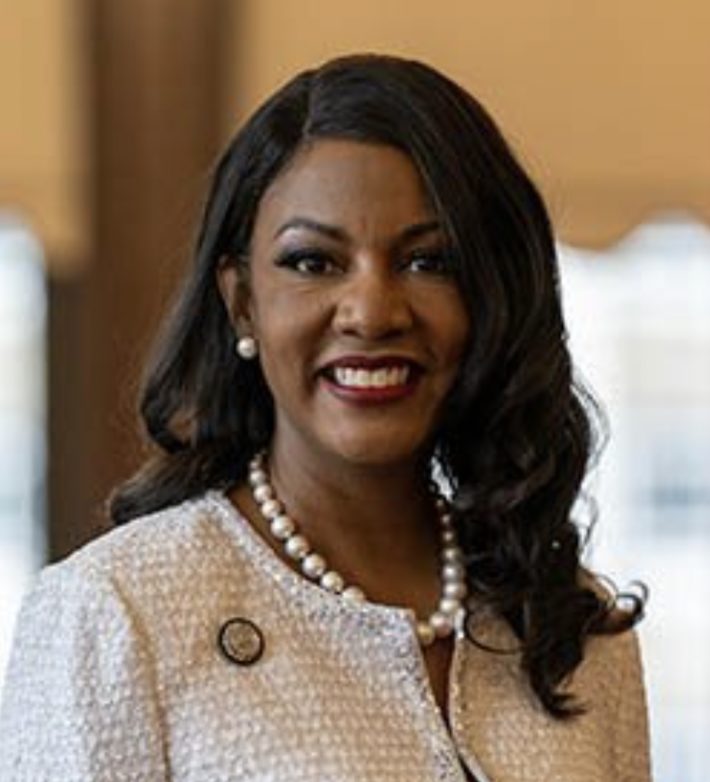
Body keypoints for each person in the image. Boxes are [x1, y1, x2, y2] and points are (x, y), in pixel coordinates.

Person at [0, 54, 651, 781]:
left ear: (490, 298)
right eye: (313, 262)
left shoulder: (575, 627)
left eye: (429, 261)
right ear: (242, 301)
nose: (372, 312)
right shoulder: (117, 613)